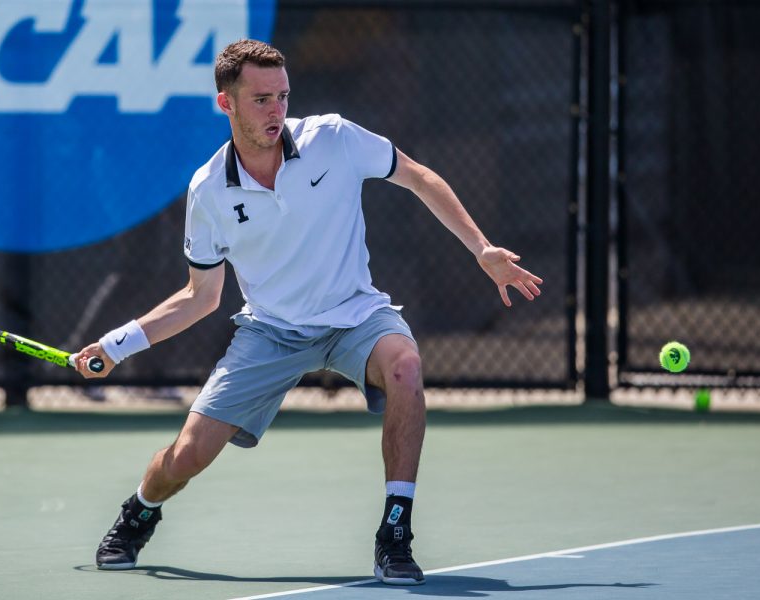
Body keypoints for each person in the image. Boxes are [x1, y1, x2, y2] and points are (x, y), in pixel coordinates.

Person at [75, 39, 543, 586]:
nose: (276, 111)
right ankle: (140, 511)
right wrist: (116, 345)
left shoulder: (335, 139)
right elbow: (200, 297)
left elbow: (417, 175)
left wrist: (482, 249)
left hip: (355, 316)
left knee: (406, 367)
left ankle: (395, 533)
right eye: (260, 100)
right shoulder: (207, 192)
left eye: (282, 97)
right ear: (226, 104)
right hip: (270, 331)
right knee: (186, 457)